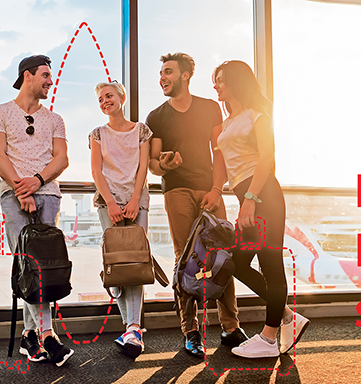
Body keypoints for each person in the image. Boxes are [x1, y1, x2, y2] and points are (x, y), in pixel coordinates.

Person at [146, 52, 247, 359]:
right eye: (161, 73)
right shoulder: (156, 116)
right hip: (176, 191)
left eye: (168, 72)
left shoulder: (209, 108)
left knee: (222, 257)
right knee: (185, 259)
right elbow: (153, 162)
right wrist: (164, 164)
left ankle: (230, 327)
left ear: (185, 75)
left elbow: (219, 152)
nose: (162, 77)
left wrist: (218, 189)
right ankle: (191, 331)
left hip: (209, 190)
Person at [210, 60, 309, 358]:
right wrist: (217, 192)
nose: (217, 86)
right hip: (248, 199)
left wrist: (251, 199)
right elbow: (226, 166)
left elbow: (267, 158)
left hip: (264, 196)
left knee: (270, 265)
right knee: (237, 264)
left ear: (238, 82)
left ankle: (268, 338)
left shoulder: (258, 115)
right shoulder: (227, 123)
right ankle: (289, 316)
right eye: (215, 80)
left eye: (222, 80)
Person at [0, 55, 73, 366]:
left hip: (47, 193)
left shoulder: (55, 119)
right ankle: (49, 335)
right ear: (28, 76)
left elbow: (61, 160)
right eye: (46, 75)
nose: (50, 81)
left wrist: (35, 182)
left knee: (42, 267)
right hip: (13, 195)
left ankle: (29, 336)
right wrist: (20, 188)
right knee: (29, 265)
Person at [88, 81, 152, 358]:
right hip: (108, 204)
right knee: (118, 265)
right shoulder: (97, 134)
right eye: (101, 98)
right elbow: (96, 172)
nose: (105, 101)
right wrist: (112, 203)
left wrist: (135, 199)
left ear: (122, 97)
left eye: (109, 96)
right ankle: (132, 328)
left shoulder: (142, 131)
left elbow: (143, 168)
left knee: (136, 264)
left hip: (138, 201)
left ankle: (133, 327)